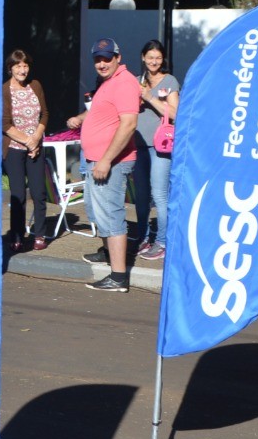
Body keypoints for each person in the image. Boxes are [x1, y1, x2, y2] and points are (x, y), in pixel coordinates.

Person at [67, 38, 141, 292]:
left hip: (109, 162)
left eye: (107, 58)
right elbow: (101, 111)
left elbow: (129, 123)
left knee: (111, 214)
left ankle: (118, 277)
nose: (101, 63)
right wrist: (80, 118)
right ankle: (108, 252)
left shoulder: (125, 83)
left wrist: (107, 160)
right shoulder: (108, 83)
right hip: (95, 159)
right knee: (96, 210)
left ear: (118, 58)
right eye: (98, 59)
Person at [132, 40, 180, 262]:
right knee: (141, 197)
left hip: (160, 145)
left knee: (159, 195)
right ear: (143, 57)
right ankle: (143, 237)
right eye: (150, 57)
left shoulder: (169, 81)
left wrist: (149, 97)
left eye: (158, 58)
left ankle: (162, 241)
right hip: (138, 144)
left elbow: (174, 114)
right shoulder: (136, 81)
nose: (154, 61)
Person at [3, 49, 50, 252]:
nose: (22, 70)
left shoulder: (36, 85)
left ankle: (39, 233)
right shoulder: (4, 90)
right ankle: (17, 234)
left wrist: (36, 139)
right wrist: (27, 142)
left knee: (39, 192)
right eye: (18, 66)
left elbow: (45, 114)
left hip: (36, 147)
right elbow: (4, 124)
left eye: (25, 66)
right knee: (18, 194)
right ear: (10, 68)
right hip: (14, 148)